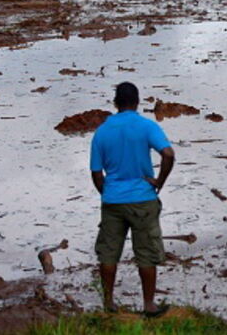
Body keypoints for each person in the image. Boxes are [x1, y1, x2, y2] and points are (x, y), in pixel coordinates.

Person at [90, 82, 175, 317]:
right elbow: (168, 154)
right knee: (146, 253)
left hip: (113, 200)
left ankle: (108, 303)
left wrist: (107, 193)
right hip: (143, 200)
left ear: (115, 103)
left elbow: (97, 173)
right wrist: (159, 181)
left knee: (108, 253)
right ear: (137, 102)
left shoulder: (102, 131)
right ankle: (149, 305)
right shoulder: (147, 126)